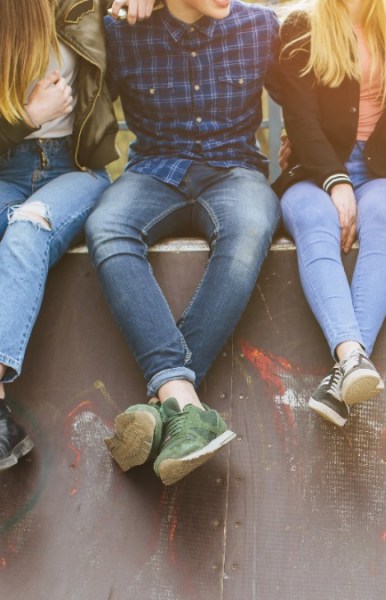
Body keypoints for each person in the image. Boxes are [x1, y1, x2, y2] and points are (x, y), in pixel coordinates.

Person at [86, 0, 281, 485]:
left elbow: (318, 75)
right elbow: (71, 48)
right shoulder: (121, 28)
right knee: (107, 227)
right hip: (155, 170)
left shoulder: (260, 25)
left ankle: (164, 405)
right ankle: (186, 404)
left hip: (234, 170)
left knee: (249, 229)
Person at [274, 0, 386, 427]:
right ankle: (351, 359)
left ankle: (347, 370)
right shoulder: (301, 26)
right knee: (314, 219)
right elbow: (300, 122)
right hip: (315, 165)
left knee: (384, 217)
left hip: (383, 170)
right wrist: (336, 182)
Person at [0, 0, 117, 470]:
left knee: (28, 227)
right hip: (8, 167)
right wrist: (28, 117)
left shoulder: (84, 5)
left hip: (75, 169)